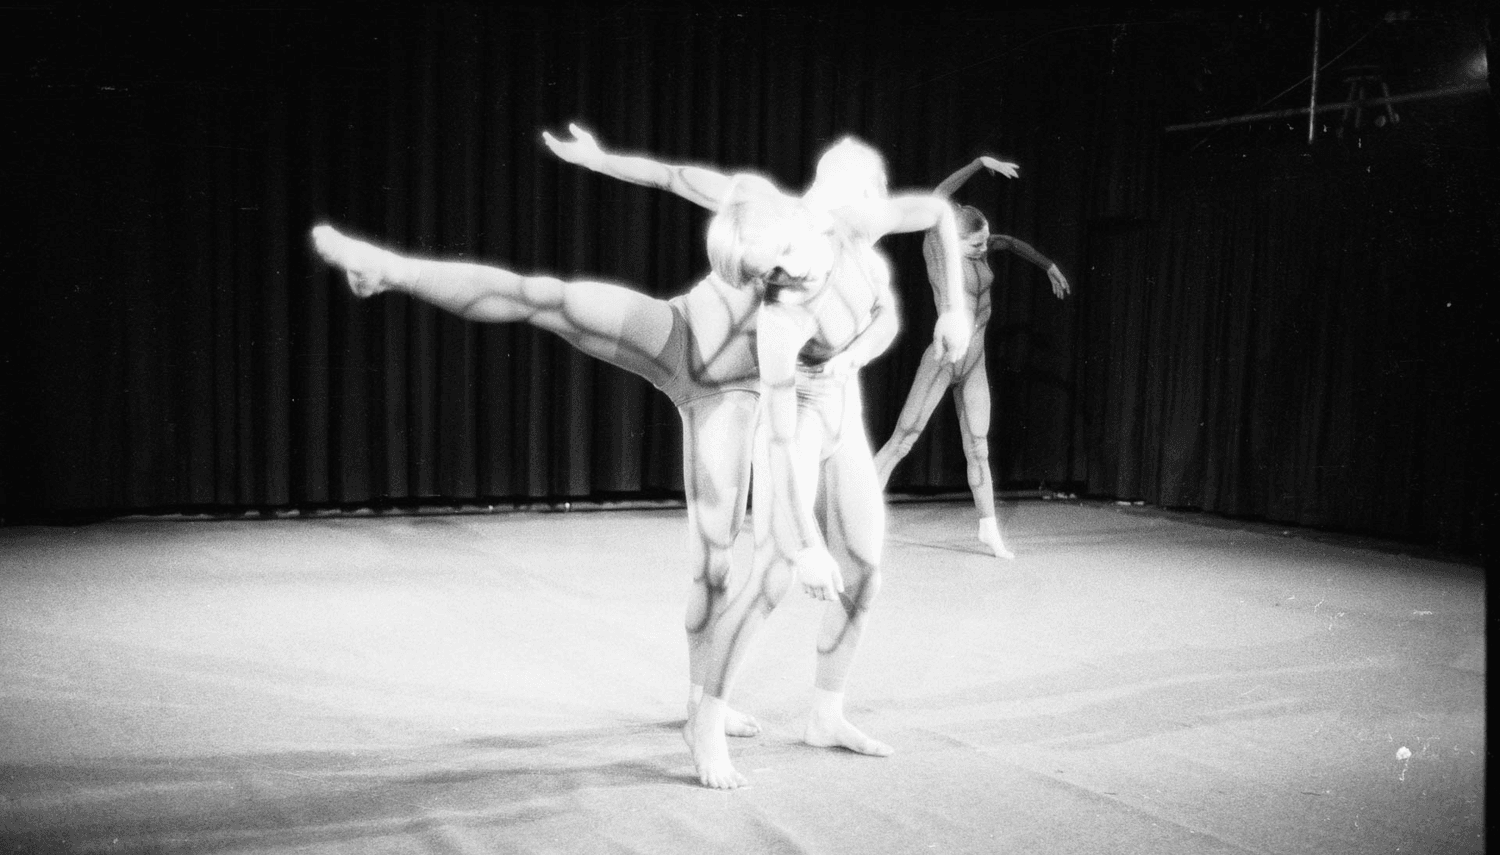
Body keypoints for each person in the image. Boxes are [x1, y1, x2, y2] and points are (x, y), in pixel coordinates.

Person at [312, 131, 973, 789]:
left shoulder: (839, 241)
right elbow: (673, 175)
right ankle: (393, 269)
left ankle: (702, 704)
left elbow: (887, 275)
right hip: (677, 336)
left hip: (733, 396)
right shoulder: (756, 205)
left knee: (715, 564)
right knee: (547, 298)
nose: (771, 278)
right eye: (756, 269)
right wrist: (600, 161)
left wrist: (945, 314)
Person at [872, 156, 1071, 559]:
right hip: (945, 358)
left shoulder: (984, 247)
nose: (984, 249)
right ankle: (854, 517)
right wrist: (980, 163)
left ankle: (988, 529)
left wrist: (1048, 264)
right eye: (976, 244)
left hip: (975, 362)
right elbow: (938, 197)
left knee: (978, 447)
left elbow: (1010, 243)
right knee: (903, 441)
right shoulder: (937, 248)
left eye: (985, 242)